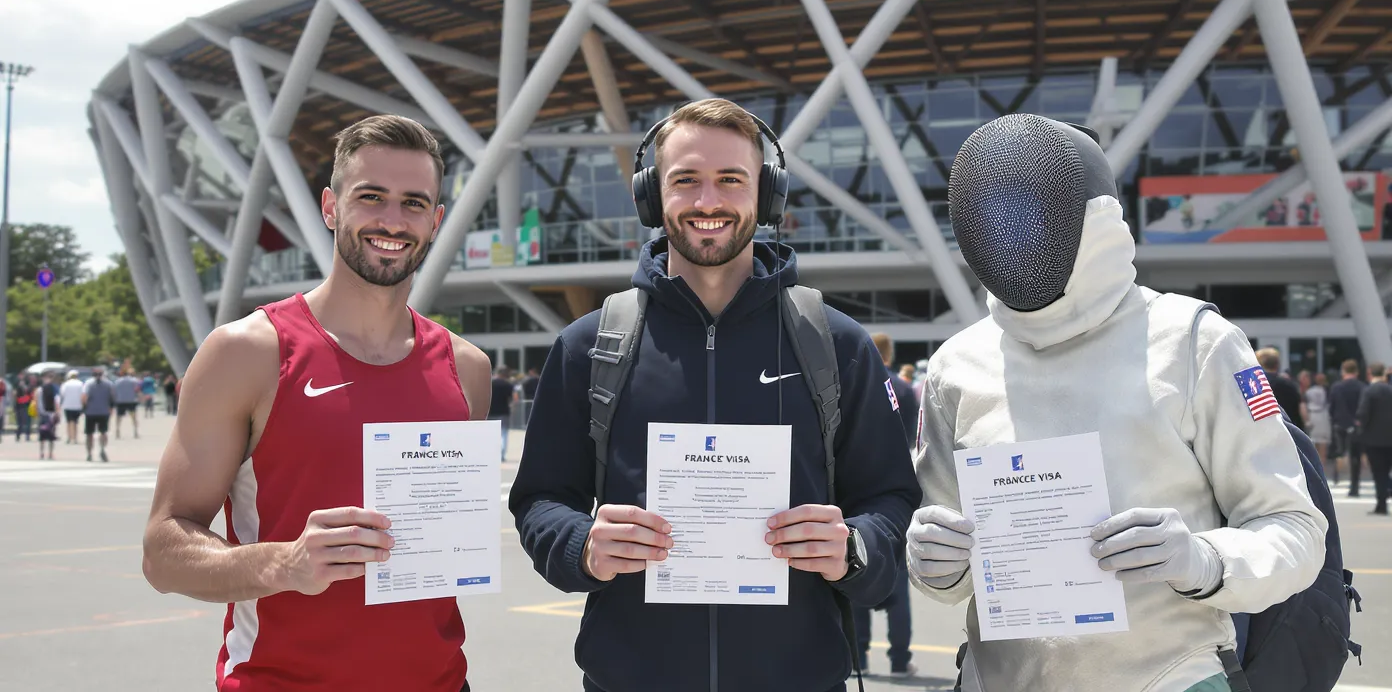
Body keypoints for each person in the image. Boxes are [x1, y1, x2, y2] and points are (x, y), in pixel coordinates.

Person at [509, 98, 919, 692]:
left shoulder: (835, 344)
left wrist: (854, 548)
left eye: (731, 180)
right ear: (653, 196)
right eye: (686, 182)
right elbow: (541, 498)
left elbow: (892, 500)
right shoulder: (590, 345)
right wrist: (582, 546)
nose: (708, 202)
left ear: (767, 195)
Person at [909, 114, 1326, 692]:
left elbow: (1295, 529)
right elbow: (948, 572)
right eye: (996, 215)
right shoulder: (957, 364)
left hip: (1170, 677)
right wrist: (933, 559)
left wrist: (1201, 560)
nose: (1013, 231)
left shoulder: (1192, 339)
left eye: (1033, 211)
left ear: (1094, 219)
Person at [141, 114, 492, 691]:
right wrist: (286, 564)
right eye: (370, 197)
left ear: (436, 221)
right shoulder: (246, 351)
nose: (391, 220)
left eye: (412, 203)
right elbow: (163, 551)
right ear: (330, 207)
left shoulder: (467, 368)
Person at [853, 333, 919, 677]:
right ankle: (898, 659)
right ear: (890, 353)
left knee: (856, 569)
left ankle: (859, 657)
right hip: (899, 487)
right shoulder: (906, 390)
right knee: (898, 584)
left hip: (859, 487)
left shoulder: (854, 382)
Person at [1354, 362, 1392, 515]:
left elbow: (1363, 413)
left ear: (1370, 373)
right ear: (1384, 373)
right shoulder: (1390, 390)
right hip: (1390, 437)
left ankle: (1381, 504)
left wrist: (1360, 429)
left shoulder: (1369, 391)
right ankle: (1382, 500)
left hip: (1373, 439)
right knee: (1386, 470)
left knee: (1378, 472)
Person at [1330, 359, 1369, 494]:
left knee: (1339, 452)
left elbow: (1332, 407)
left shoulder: (1336, 387)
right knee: (1355, 456)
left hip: (1340, 424)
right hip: (1356, 425)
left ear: (1343, 371)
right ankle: (1354, 486)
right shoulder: (1362, 387)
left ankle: (1336, 477)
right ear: (1357, 372)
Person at [1256, 347, 1304, 426]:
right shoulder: (1289, 384)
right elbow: (1299, 408)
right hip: (1288, 428)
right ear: (1277, 364)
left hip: (1265, 428)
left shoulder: (1256, 386)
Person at [82, 366, 115, 462]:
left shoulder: (88, 384)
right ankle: (102, 449)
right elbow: (112, 397)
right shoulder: (108, 384)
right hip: (103, 411)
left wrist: (84, 408)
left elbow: (84, 397)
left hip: (91, 412)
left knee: (89, 434)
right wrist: (111, 408)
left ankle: (89, 453)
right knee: (103, 432)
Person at [1306, 372, 1333, 476]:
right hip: (1323, 416)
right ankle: (1322, 470)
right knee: (1323, 445)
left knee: (1313, 444)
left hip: (1313, 416)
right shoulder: (1327, 391)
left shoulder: (1309, 391)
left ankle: (1315, 470)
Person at [490, 366, 517, 462]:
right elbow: (514, 398)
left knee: (492, 434)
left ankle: (492, 453)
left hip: (490, 412)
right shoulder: (508, 385)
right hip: (504, 412)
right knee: (504, 433)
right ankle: (501, 455)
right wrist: (512, 407)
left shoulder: (490, 383)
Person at [36, 372, 60, 460]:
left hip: (42, 414)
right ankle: (50, 453)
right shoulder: (54, 388)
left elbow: (36, 401)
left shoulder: (39, 389)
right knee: (51, 435)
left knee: (42, 435)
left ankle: (41, 453)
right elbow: (56, 401)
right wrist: (57, 412)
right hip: (51, 414)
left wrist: (38, 412)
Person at [113, 367, 141, 440]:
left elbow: (115, 391)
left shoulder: (117, 381)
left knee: (119, 417)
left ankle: (117, 430)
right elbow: (137, 389)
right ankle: (135, 432)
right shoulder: (134, 380)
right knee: (134, 417)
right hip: (131, 400)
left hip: (121, 401)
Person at [59, 369, 85, 445]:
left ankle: (69, 437)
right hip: (77, 405)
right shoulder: (80, 384)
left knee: (69, 422)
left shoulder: (65, 384)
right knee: (76, 422)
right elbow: (83, 394)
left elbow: (62, 394)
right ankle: (75, 438)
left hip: (67, 405)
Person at [13, 374, 33, 442]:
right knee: (20, 423)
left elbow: (31, 396)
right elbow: (16, 398)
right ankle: (18, 435)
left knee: (28, 422)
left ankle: (27, 436)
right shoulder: (17, 388)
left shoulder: (29, 387)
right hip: (20, 406)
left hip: (27, 406)